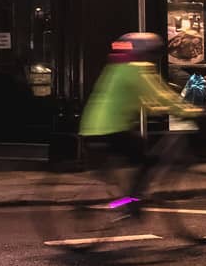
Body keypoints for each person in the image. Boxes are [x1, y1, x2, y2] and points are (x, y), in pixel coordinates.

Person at [80, 32, 199, 204]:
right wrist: (190, 111)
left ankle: (118, 197)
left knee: (125, 159)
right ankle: (132, 202)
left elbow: (144, 99)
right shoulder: (137, 69)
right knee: (147, 160)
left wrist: (156, 107)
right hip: (112, 129)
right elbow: (160, 95)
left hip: (92, 127)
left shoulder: (116, 68)